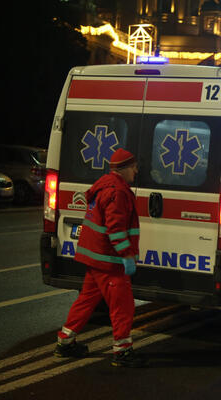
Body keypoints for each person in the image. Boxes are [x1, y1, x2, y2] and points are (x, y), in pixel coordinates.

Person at [54, 148, 146, 367]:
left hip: (95, 257)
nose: (136, 170)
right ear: (123, 169)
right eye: (133, 166)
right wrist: (126, 255)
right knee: (123, 305)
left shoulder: (104, 185)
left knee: (86, 300)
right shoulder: (119, 191)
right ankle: (122, 352)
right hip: (108, 260)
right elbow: (115, 228)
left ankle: (65, 342)